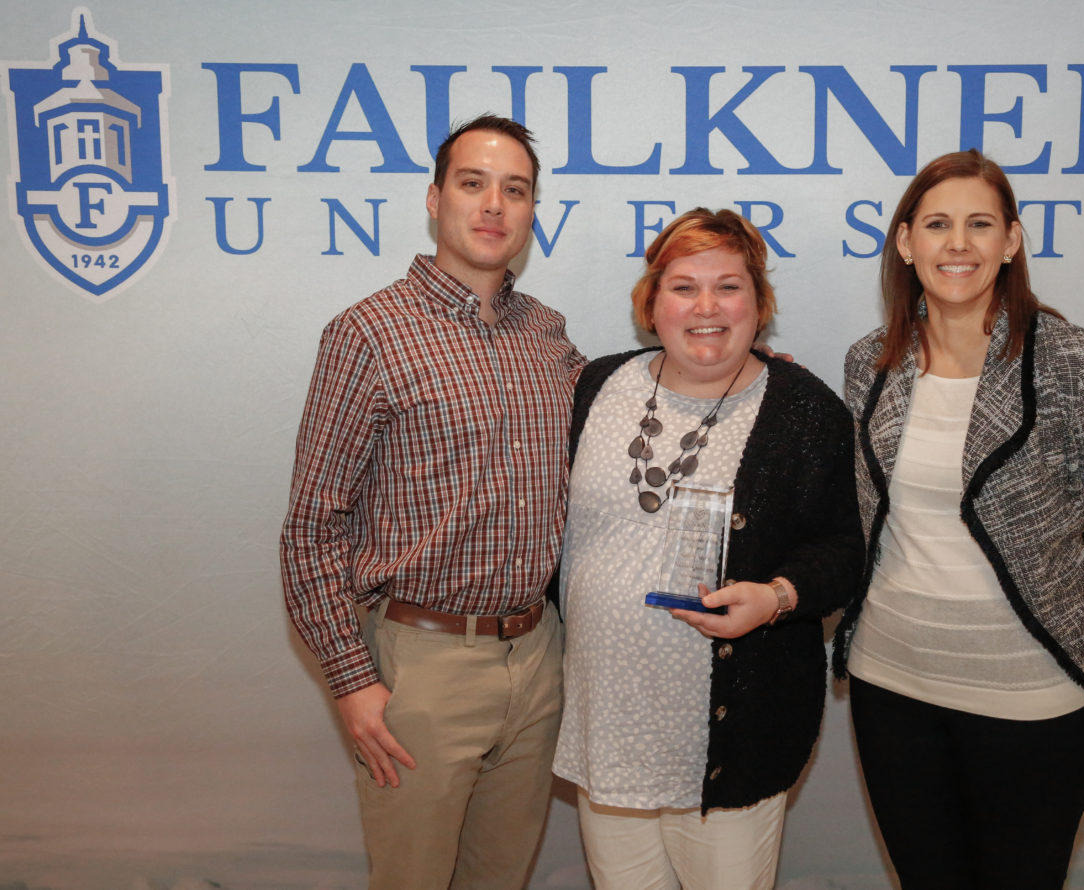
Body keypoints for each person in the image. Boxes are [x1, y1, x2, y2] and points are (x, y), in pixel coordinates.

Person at [832, 149, 1084, 890]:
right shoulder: (869, 365)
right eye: (937, 224)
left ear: (1010, 241)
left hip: (1035, 698)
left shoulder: (1072, 360)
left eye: (980, 224)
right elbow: (855, 511)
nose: (958, 244)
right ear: (905, 242)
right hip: (893, 690)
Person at [280, 114, 585, 890]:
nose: (494, 205)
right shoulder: (368, 333)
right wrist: (352, 679)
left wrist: (742, 375)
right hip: (421, 665)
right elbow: (314, 526)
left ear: (531, 212)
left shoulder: (548, 335)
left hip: (537, 655)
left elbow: (630, 415)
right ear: (434, 197)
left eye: (515, 190)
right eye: (473, 183)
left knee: (501, 878)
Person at [552, 208, 863, 890]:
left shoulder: (805, 410)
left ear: (759, 304)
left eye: (729, 287)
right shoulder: (594, 387)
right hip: (609, 729)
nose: (706, 307)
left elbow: (846, 548)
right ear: (651, 303)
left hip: (730, 744)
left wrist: (779, 597)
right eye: (684, 286)